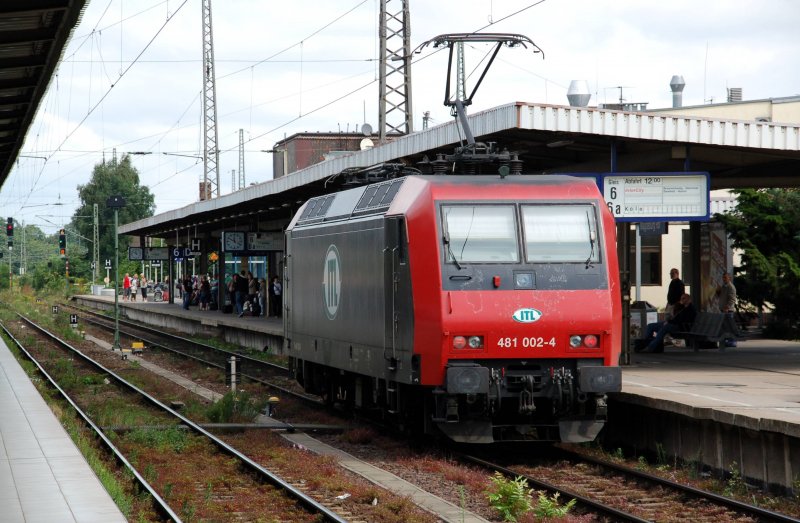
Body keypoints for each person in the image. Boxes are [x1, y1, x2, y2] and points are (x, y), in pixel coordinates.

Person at [717, 272, 738, 347]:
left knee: (730, 326)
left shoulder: (731, 287)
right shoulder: (724, 286)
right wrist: (718, 291)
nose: (724, 279)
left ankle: (732, 341)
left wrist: (727, 307)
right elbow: (720, 296)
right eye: (723, 278)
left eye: (725, 277)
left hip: (728, 311)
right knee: (725, 326)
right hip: (722, 309)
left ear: (729, 278)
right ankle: (727, 340)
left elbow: (732, 299)